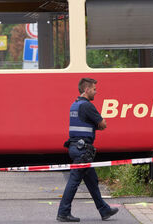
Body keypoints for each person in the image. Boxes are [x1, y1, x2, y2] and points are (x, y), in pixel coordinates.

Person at [57, 78, 119, 222]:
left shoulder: (75, 105)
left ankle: (104, 210)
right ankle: (63, 212)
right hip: (82, 150)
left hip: (75, 147)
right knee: (74, 181)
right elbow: (103, 124)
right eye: (94, 89)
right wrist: (96, 125)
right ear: (87, 90)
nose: (96, 92)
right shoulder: (87, 106)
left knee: (92, 180)